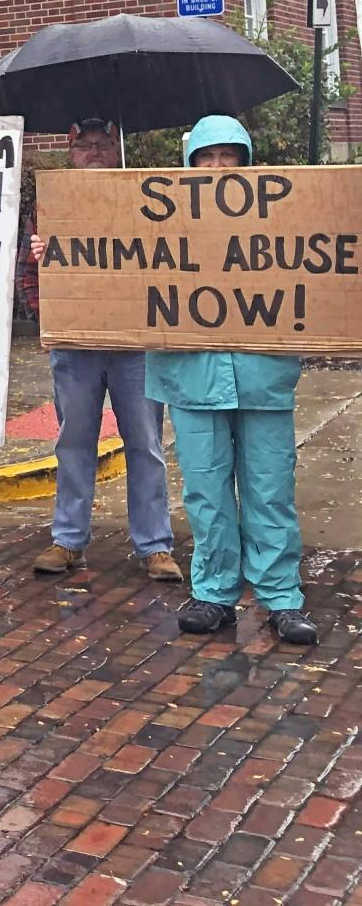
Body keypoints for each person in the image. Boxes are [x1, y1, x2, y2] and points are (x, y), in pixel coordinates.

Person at [146, 115, 315, 646]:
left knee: (270, 487)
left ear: (246, 162)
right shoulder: (158, 222)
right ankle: (214, 592)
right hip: (190, 375)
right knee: (206, 488)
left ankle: (281, 596)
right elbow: (109, 261)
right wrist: (53, 254)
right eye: (207, 157)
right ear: (190, 163)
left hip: (263, 373)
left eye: (229, 156)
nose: (219, 168)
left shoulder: (281, 221)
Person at [26, 118, 182, 584]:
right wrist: (48, 310)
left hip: (134, 345)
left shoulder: (143, 198)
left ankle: (154, 545)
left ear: (117, 148)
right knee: (74, 441)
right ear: (70, 150)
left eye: (103, 143)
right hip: (76, 347)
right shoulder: (51, 205)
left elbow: (169, 257)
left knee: (146, 443)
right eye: (84, 145)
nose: (93, 152)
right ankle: (67, 540)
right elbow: (25, 279)